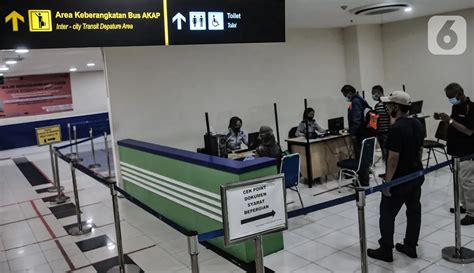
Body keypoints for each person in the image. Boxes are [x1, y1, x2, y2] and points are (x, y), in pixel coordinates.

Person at [367, 91, 425, 262]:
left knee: (386, 213)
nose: (386, 107)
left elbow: (393, 159)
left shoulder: (397, 129)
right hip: (415, 175)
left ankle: (386, 249)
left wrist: (388, 183)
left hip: (400, 179)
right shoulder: (417, 123)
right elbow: (420, 149)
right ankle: (410, 245)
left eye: (389, 105)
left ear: (397, 107)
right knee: (414, 211)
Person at [438, 83, 474, 225]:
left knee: (468, 183)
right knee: (459, 181)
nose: (450, 100)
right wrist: (445, 120)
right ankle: (465, 206)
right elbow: (454, 125)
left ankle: (472, 212)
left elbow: (469, 131)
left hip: (468, 152)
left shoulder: (471, 108)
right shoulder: (456, 107)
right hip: (456, 151)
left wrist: (450, 120)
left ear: (460, 93)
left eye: (451, 97)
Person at [341, 85, 371, 186]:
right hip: (365, 132)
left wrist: (353, 134)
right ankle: (363, 179)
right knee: (363, 157)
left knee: (360, 157)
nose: (345, 97)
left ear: (349, 92)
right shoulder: (361, 99)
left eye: (345, 94)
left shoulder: (356, 102)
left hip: (359, 134)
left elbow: (356, 119)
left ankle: (362, 181)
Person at [372, 85, 391, 176]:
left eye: (373, 93)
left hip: (385, 133)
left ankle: (389, 173)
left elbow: (391, 117)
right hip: (382, 133)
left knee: (387, 154)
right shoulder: (383, 104)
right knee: (385, 154)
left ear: (379, 92)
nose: (373, 95)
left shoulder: (384, 104)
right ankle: (388, 172)